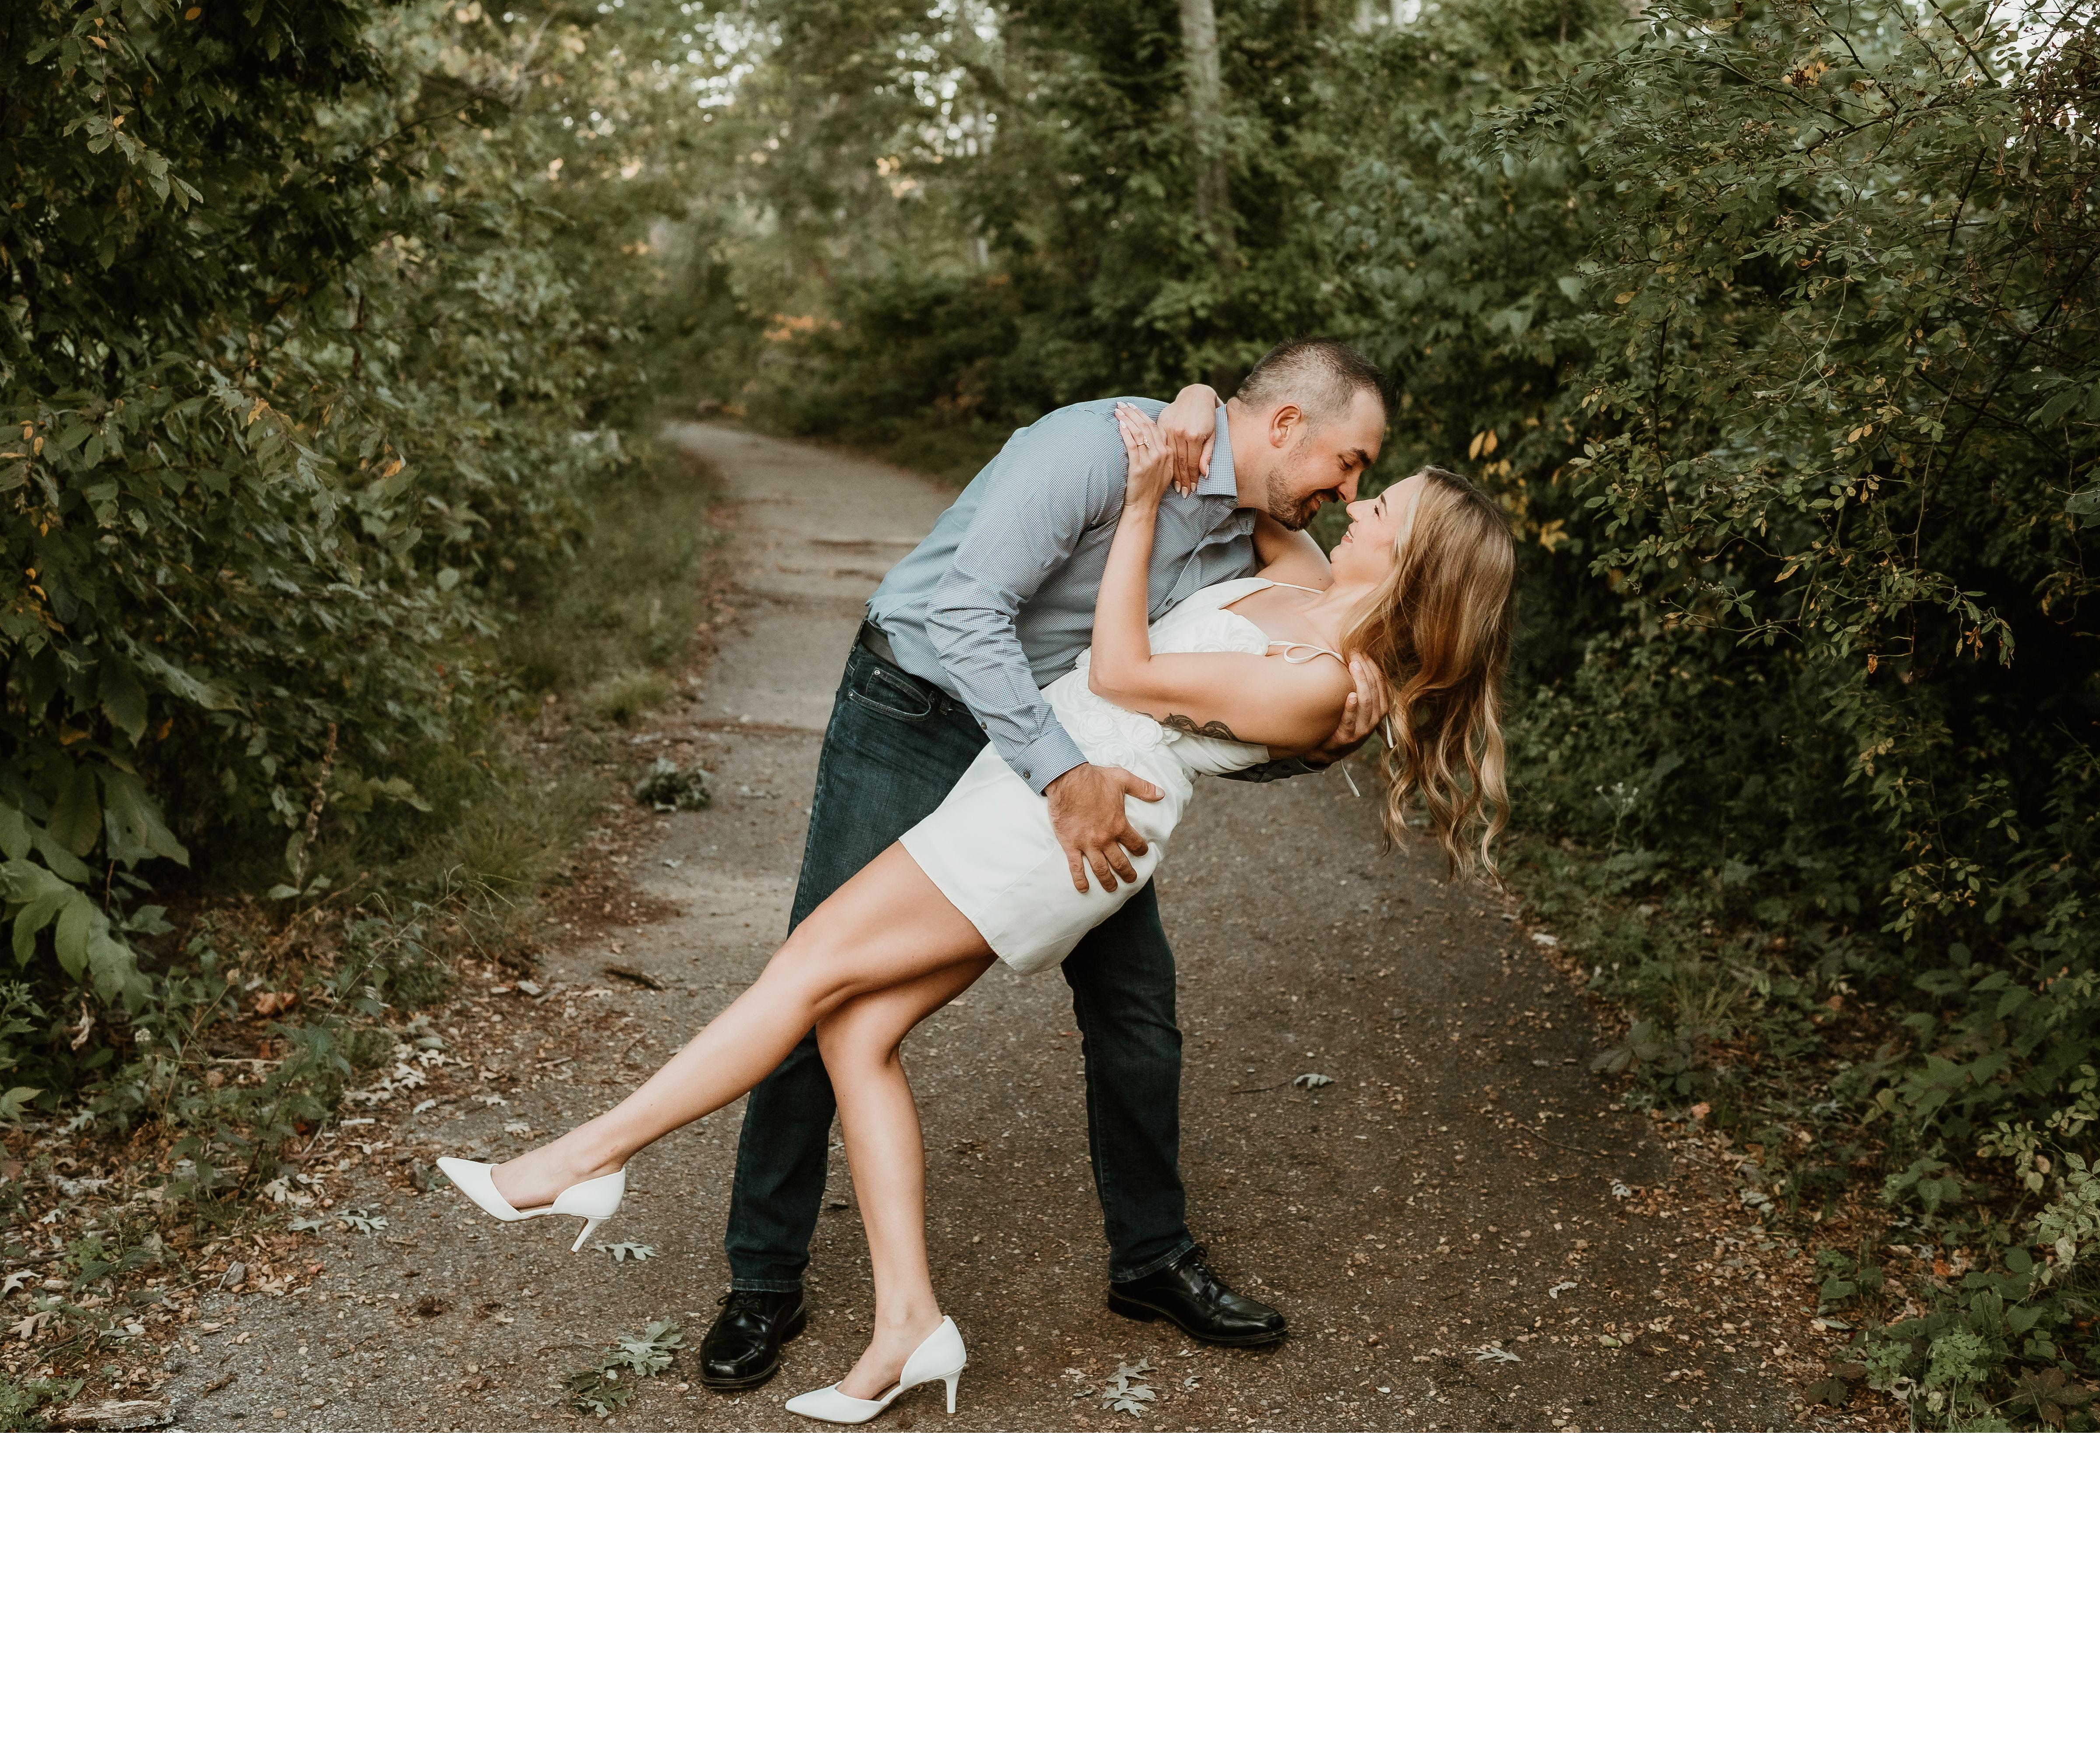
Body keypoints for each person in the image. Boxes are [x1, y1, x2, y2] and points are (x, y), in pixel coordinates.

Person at [437, 389, 1520, 1424]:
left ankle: (583, 1162)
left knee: (813, 970)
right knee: (854, 1030)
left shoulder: (1328, 677)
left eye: (1381, 504)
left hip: (1071, 817)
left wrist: (1146, 505)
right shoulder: (1302, 572)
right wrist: (1196, 393)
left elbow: (1127, 671)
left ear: (1413, 560)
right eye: (1360, 475)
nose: (1355, 500)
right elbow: (1251, 476)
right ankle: (905, 1324)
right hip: (1013, 769)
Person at [700, 337, 1391, 1391]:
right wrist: (1062, 774)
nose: (1349, 492)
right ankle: (763, 1277)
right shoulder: (1098, 449)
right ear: (1289, 425)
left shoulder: (1255, 534)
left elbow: (1208, 715)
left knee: (1136, 1002)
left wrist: (1328, 742)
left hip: (1062, 751)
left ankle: (1151, 1259)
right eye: (1350, 462)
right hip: (919, 709)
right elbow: (962, 612)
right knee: (819, 976)